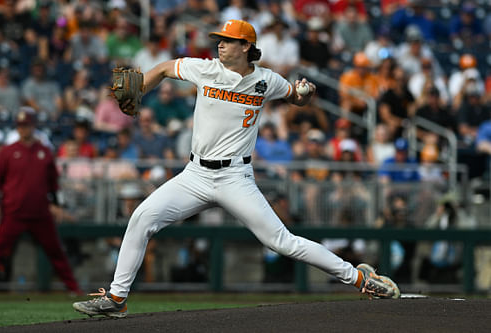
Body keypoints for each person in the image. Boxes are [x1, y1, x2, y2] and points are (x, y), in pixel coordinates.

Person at [73, 19, 400, 318]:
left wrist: (303, 94)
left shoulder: (265, 80)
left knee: (281, 241)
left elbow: (294, 97)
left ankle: (359, 278)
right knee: (142, 217)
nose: (220, 44)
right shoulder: (205, 69)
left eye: (228, 40)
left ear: (246, 47)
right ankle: (116, 299)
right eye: (220, 39)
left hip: (235, 178)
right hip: (195, 175)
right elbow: (164, 68)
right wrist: (141, 87)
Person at [0, 109, 81, 294]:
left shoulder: (44, 151)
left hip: (40, 212)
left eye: (27, 125)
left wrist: (57, 205)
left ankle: (73, 288)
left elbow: (53, 184)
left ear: (33, 126)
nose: (24, 129)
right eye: (20, 126)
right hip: (13, 212)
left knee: (56, 251)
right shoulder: (8, 151)